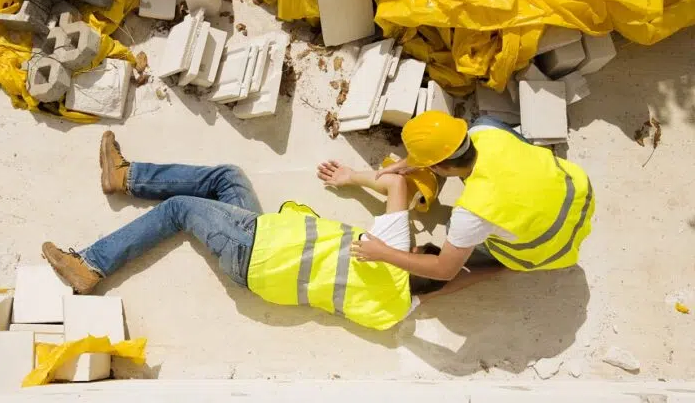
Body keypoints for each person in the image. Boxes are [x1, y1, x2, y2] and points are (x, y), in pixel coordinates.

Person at [41, 131, 497, 331]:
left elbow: (396, 182)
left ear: (421, 249)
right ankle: (125, 177)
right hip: (261, 265)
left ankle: (91, 265)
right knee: (228, 178)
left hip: (255, 245)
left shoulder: (392, 244)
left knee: (180, 208)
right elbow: (447, 280)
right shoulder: (394, 311)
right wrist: (509, 270)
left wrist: (353, 176)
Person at [352, 111, 595, 280]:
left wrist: (382, 253)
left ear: (438, 168)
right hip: (578, 196)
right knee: (490, 121)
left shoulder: (472, 212)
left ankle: (501, 264)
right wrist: (407, 164)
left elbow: (443, 270)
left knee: (454, 231)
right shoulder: (486, 131)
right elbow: (448, 149)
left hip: (547, 249)